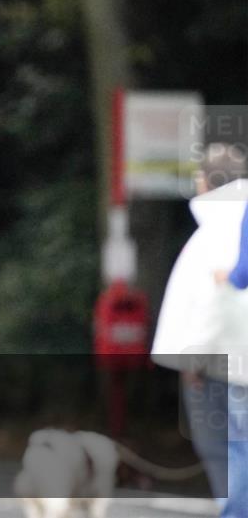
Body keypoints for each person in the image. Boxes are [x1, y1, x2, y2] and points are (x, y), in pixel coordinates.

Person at [151, 143, 248, 518]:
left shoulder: (220, 224)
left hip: (222, 362)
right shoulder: (236, 217)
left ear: (208, 179)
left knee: (226, 448)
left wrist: (194, 357)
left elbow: (217, 298)